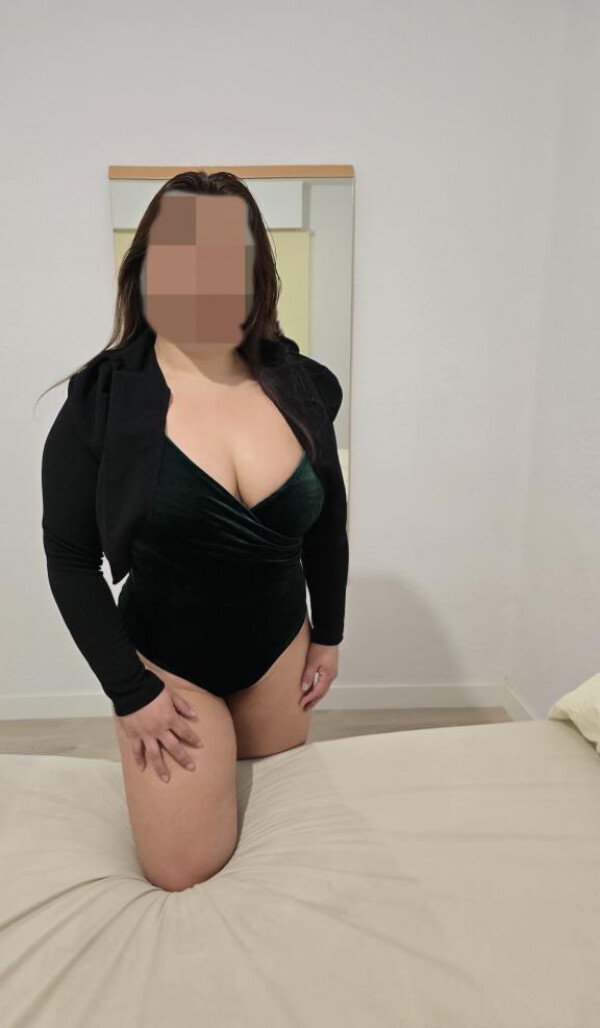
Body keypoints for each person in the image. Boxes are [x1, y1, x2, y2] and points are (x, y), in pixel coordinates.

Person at [39, 170, 349, 890]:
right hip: (168, 669)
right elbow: (70, 560)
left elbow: (327, 521)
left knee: (281, 845)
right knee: (183, 873)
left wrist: (329, 633)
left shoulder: (305, 385)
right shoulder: (100, 400)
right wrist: (131, 692)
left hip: (280, 653)